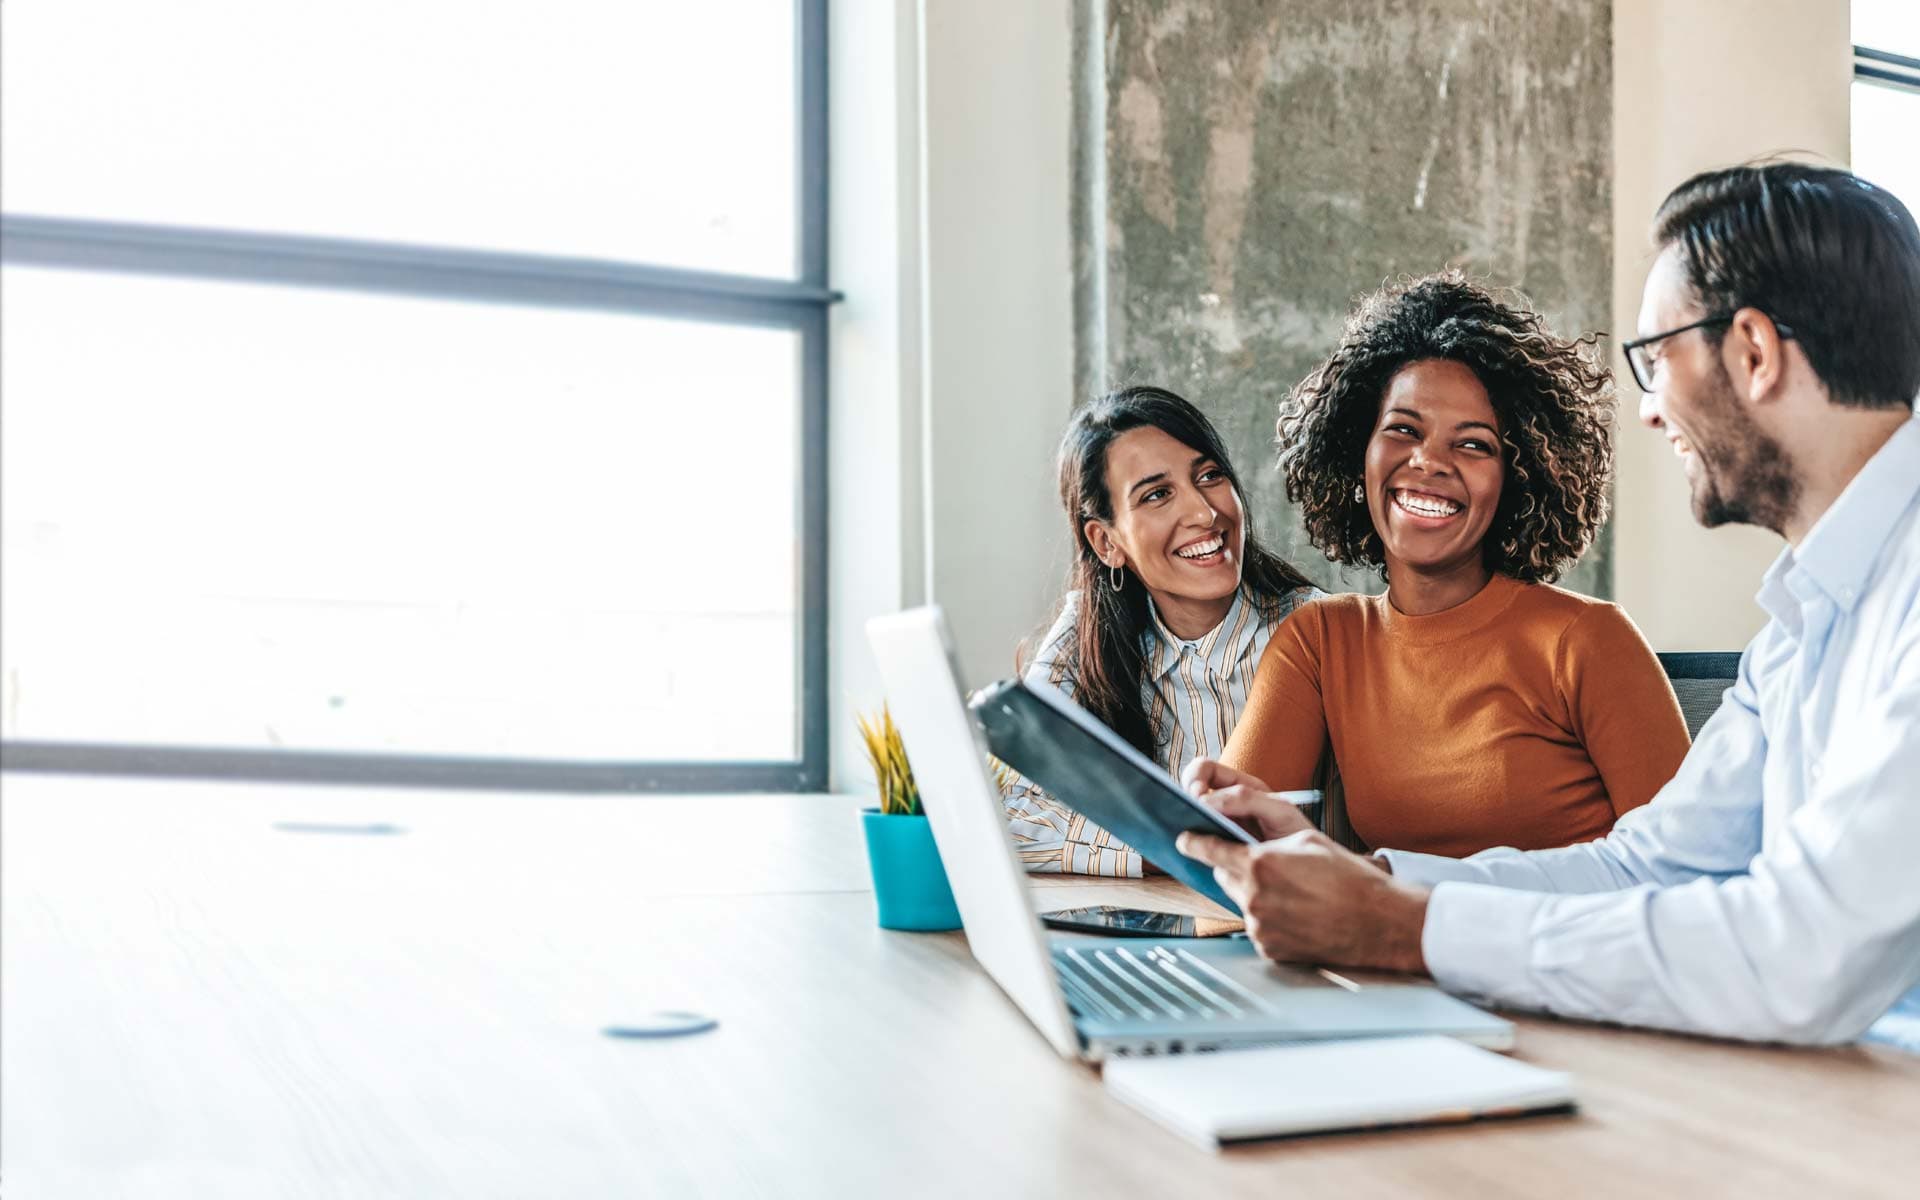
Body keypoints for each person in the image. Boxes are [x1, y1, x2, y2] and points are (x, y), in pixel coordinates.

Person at [1177, 162, 1920, 1045]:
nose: (1650, 412)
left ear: (1752, 352)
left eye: (1656, 358)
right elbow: (1651, 864)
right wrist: (1366, 883)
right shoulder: (1802, 624)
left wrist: (1404, 929)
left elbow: (1800, 953)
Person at [1220, 274, 1689, 856]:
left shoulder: (1587, 641)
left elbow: (1686, 874)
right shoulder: (1320, 643)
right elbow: (1234, 853)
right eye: (1402, 430)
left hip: (1560, 944)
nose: (1428, 461)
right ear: (1356, 450)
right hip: (1393, 944)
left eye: (1472, 445)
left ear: (1517, 480)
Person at [999, 386, 1320, 875]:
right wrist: (1175, 848)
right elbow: (1006, 813)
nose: (1204, 513)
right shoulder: (1084, 639)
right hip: (1152, 929)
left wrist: (1147, 837)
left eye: (1209, 476)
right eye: (1157, 495)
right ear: (1106, 542)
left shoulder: (1316, 631)